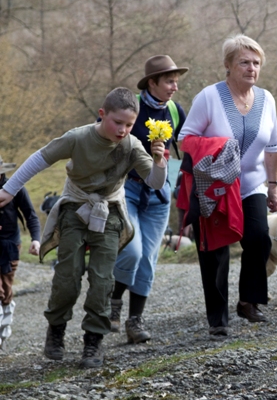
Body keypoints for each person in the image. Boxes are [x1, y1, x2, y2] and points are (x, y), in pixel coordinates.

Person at [0, 87, 167, 368]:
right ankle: (56, 330)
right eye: (118, 122)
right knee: (68, 277)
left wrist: (160, 162)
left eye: (129, 124)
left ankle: (94, 341)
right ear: (102, 115)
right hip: (75, 208)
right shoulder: (78, 138)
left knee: (102, 280)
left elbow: (155, 182)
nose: (123, 130)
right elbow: (40, 158)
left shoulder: (133, 146)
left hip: (110, 212)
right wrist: (9, 188)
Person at [178, 34, 277, 337]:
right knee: (216, 250)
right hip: (215, 186)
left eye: (256, 63)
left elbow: (273, 146)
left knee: (260, 238)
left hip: (252, 184)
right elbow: (184, 139)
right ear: (228, 65)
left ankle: (248, 300)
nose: (251, 68)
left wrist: (273, 186)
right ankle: (218, 318)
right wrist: (220, 145)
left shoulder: (267, 99)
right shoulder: (209, 97)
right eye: (244, 62)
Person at [109, 55, 188, 344]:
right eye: (169, 81)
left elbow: (187, 145)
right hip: (127, 190)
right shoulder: (132, 108)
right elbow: (103, 132)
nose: (174, 87)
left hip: (160, 193)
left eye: (176, 81)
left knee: (149, 260)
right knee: (132, 251)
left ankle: (135, 321)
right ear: (152, 82)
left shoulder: (175, 111)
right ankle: (114, 303)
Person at [0, 156, 41, 349]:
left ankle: (4, 326)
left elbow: (30, 215)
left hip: (10, 247)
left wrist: (35, 239)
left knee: (6, 289)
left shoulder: (14, 188)